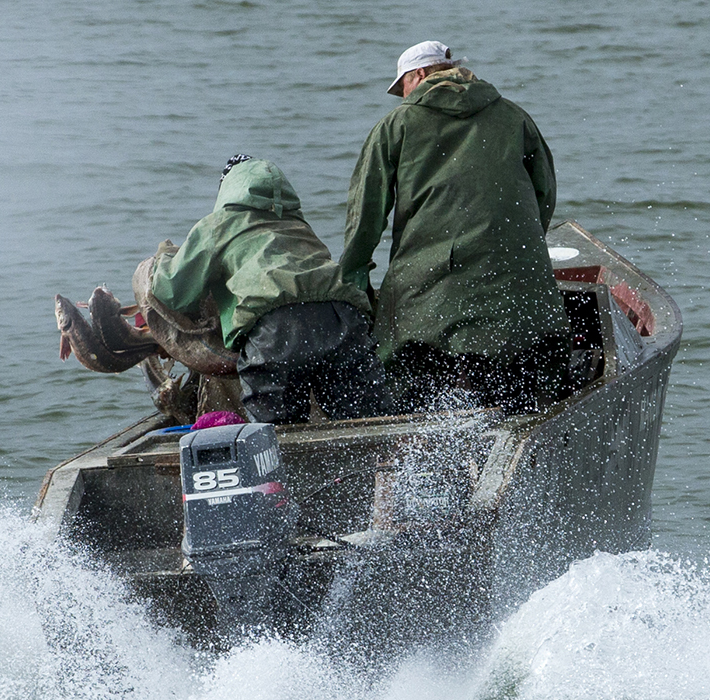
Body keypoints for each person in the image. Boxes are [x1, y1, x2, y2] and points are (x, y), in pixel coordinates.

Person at [341, 40, 573, 414]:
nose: (401, 96)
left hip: (431, 297)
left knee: (404, 358)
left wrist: (353, 281)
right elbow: (544, 195)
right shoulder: (514, 117)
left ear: (418, 76)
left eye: (401, 86)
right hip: (520, 290)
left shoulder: (396, 125)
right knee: (527, 374)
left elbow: (365, 215)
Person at [152, 155, 391, 425]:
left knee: (275, 438)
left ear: (228, 189)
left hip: (277, 328)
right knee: (366, 424)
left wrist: (165, 255)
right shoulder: (297, 224)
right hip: (342, 316)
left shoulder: (219, 223)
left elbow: (173, 291)